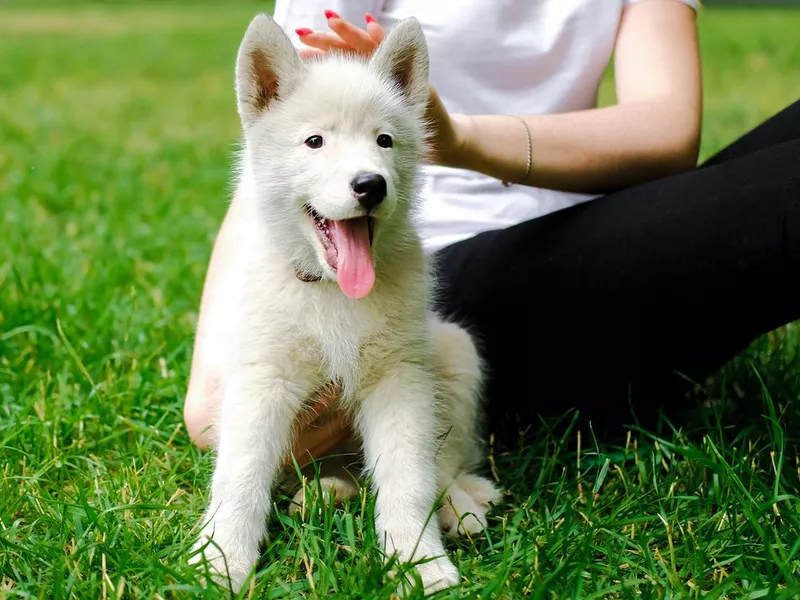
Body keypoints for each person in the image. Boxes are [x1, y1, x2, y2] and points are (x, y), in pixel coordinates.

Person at [184, 0, 800, 458]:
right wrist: (215, 385)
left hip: (601, 244)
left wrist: (458, 137)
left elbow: (666, 130)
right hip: (435, 285)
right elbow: (283, 146)